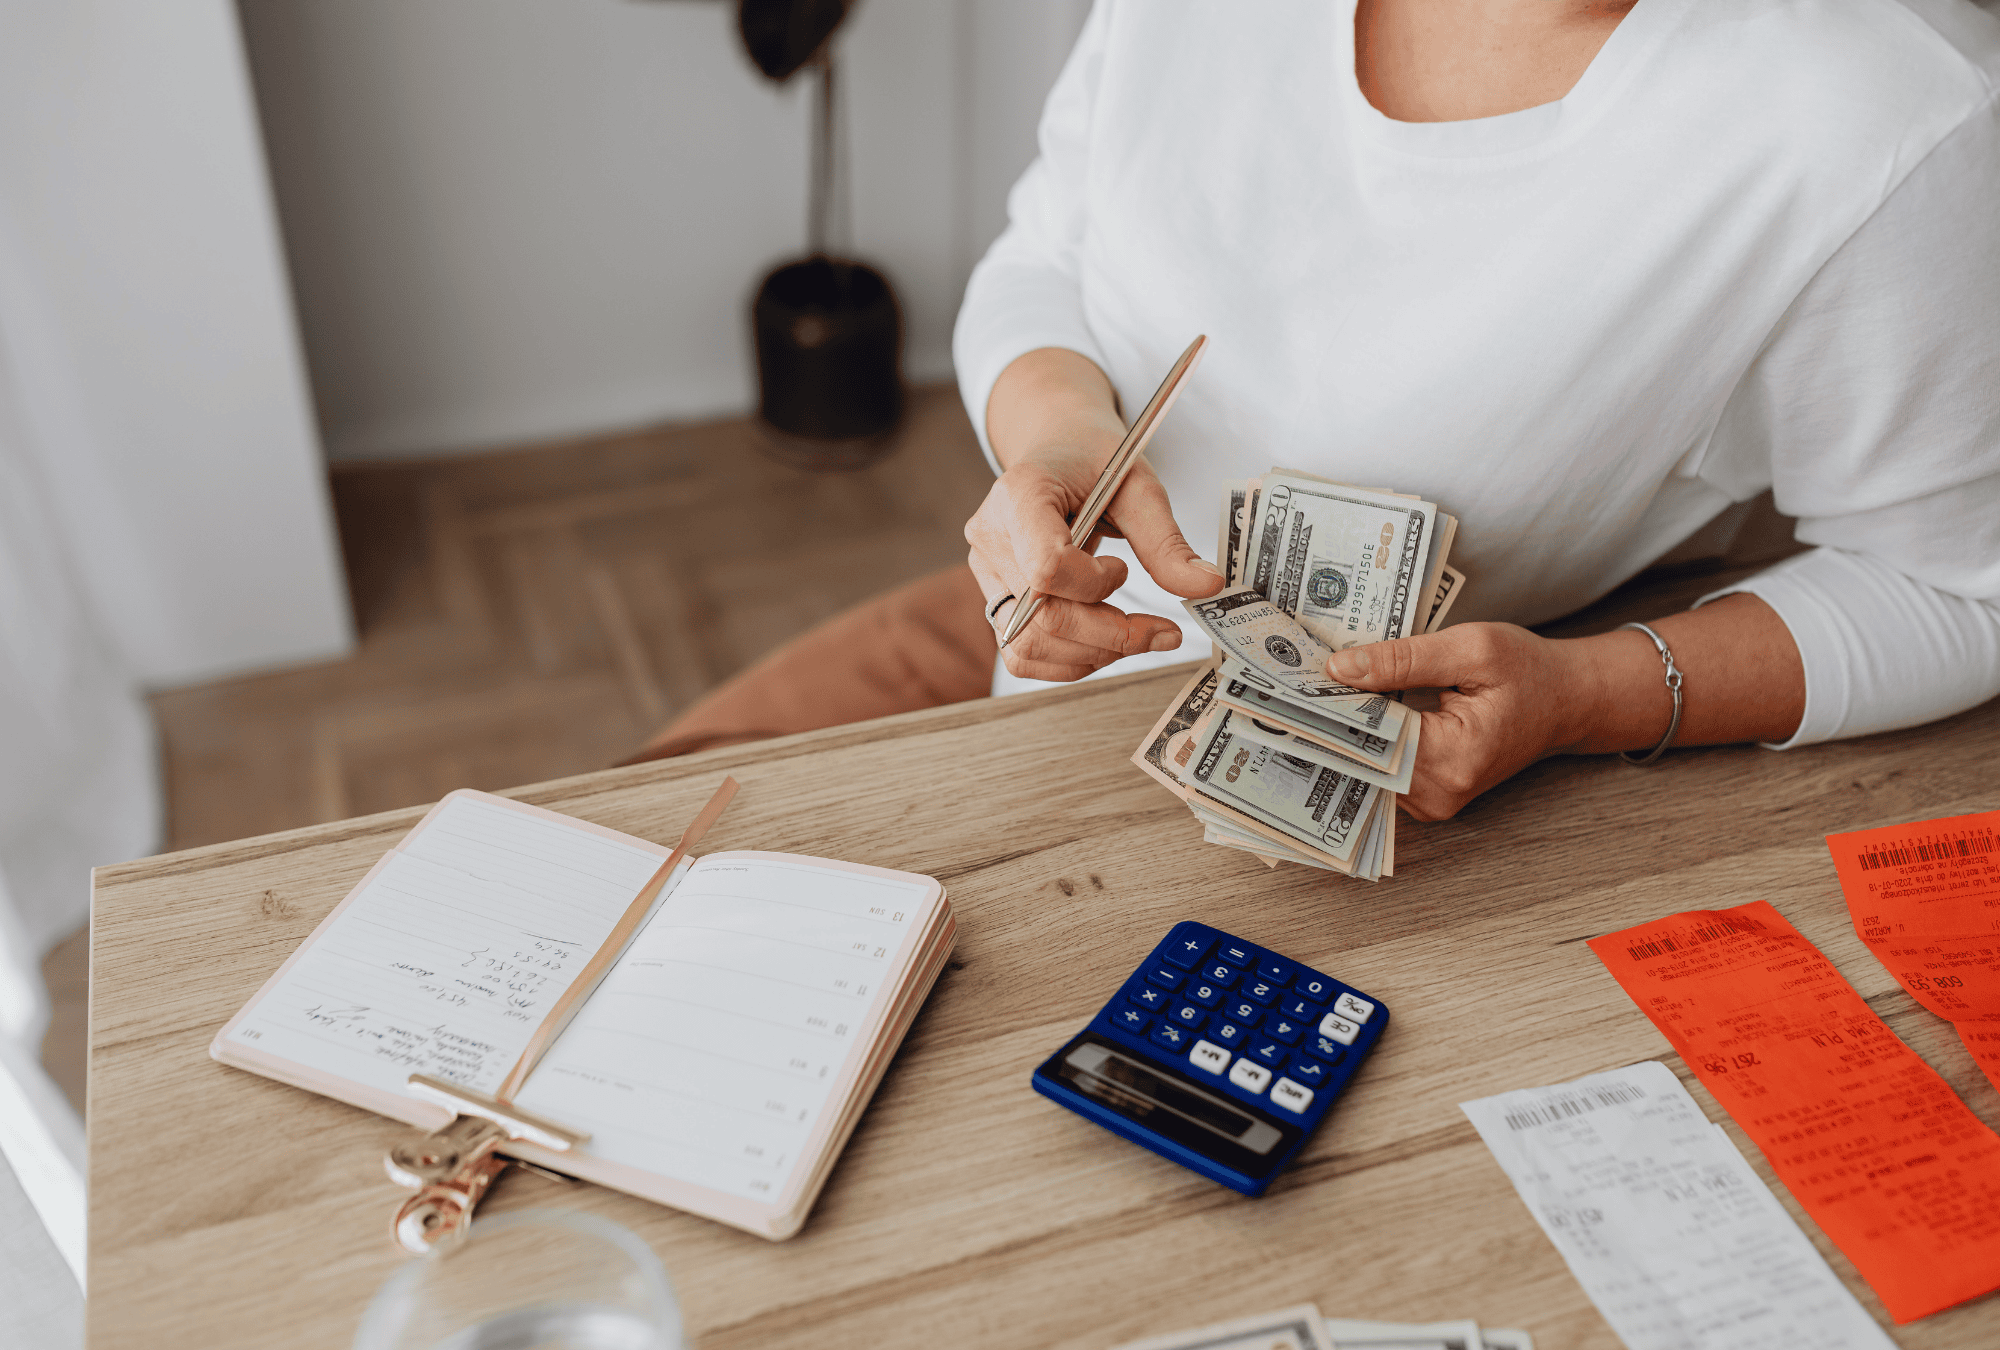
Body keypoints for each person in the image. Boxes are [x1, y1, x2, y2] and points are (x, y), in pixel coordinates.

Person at [633, 0, 2000, 819]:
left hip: (1406, 816)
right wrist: (1050, 431)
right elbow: (1050, 247)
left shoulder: (1883, 121)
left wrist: (1587, 694)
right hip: (1038, 671)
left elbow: (1962, 591)